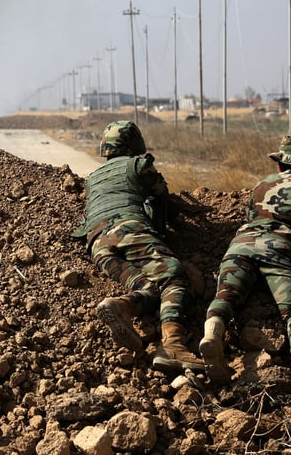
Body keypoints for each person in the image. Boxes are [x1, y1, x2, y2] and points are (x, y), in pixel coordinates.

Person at [199, 135, 291, 385]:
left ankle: (212, 334)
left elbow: (251, 214)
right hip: (281, 246)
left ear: (280, 165)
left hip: (241, 244)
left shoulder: (260, 185)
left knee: (226, 295)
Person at [72, 120, 203, 372]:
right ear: (134, 143)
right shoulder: (139, 165)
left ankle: (120, 306)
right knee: (175, 277)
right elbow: (165, 199)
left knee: (150, 287)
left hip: (97, 244)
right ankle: (173, 345)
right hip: (128, 229)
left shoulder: (92, 179)